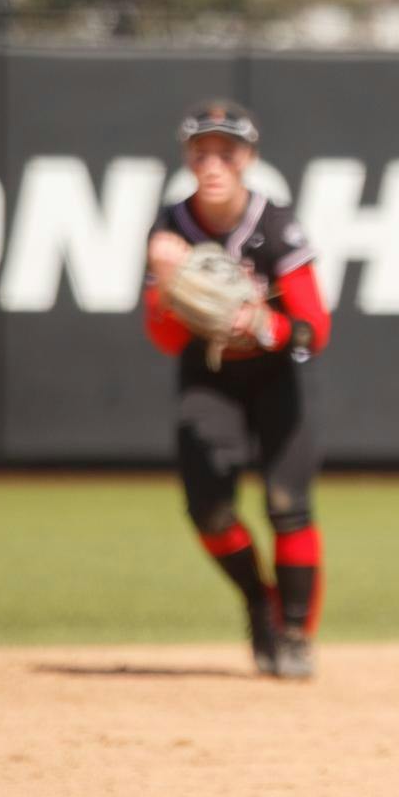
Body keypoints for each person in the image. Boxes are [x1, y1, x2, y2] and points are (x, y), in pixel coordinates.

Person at [143, 100, 332, 679]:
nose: (213, 164)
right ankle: (259, 600)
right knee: (210, 511)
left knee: (287, 505)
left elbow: (315, 329)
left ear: (247, 159)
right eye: (202, 153)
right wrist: (170, 288)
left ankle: (296, 634)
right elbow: (163, 337)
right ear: (188, 160)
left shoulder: (272, 223)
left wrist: (264, 325)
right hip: (209, 375)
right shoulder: (171, 227)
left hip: (272, 374)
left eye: (226, 152)